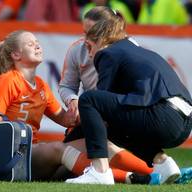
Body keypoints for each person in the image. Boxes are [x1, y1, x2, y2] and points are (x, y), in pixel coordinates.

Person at [0, 29, 160, 183]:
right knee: (57, 148)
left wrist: (90, 112)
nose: (37, 46)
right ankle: (126, 177)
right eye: (30, 44)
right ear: (16, 55)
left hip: (34, 158)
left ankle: (156, 174)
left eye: (37, 42)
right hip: (13, 158)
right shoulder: (7, 80)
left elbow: (66, 119)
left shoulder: (40, 84)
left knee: (96, 143)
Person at [65, 7, 192, 185]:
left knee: (88, 99)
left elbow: (99, 104)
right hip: (184, 123)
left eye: (88, 46)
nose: (89, 53)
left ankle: (99, 172)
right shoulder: (132, 48)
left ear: (95, 41)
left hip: (164, 116)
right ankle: (163, 162)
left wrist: (71, 136)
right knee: (114, 126)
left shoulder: (106, 53)